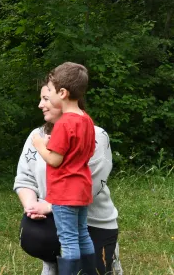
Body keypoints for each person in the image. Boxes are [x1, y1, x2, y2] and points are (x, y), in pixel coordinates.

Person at [14, 84, 122, 275]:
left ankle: (107, 258)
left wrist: (48, 205)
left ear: (63, 97)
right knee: (37, 237)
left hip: (92, 219)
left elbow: (92, 184)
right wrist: (31, 206)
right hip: (54, 214)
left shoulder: (95, 133)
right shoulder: (36, 135)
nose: (40, 105)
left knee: (93, 264)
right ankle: (52, 261)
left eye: (46, 99)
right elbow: (25, 179)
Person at [30, 62, 97, 275]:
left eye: (49, 91)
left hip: (64, 191)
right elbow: (80, 150)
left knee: (68, 239)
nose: (47, 95)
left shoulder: (63, 123)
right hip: (82, 188)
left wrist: (40, 144)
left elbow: (55, 160)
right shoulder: (85, 119)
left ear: (62, 92)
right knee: (82, 234)